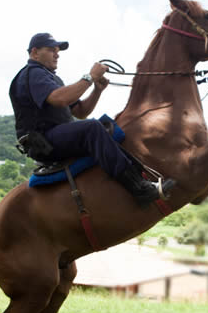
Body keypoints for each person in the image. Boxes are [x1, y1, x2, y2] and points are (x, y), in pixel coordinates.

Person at [9, 32, 174, 206]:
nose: (57, 54)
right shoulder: (33, 73)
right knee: (92, 128)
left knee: (105, 126)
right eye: (51, 50)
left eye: (57, 51)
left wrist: (97, 90)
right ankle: (139, 188)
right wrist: (90, 77)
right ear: (35, 52)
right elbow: (60, 99)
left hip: (54, 138)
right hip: (44, 141)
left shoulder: (50, 77)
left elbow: (80, 111)